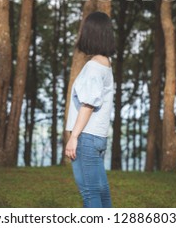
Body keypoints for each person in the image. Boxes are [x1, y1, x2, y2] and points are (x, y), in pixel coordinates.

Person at [65, 11, 115, 208]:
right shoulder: (105, 64)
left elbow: (88, 105)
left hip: (86, 137)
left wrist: (74, 137)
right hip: (97, 137)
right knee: (101, 192)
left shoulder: (93, 67)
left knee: (90, 193)